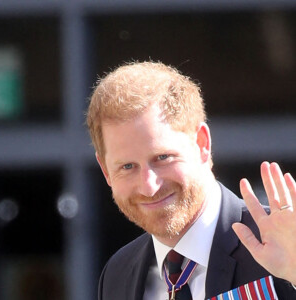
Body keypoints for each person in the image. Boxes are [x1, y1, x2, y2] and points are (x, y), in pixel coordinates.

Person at [87, 61, 296, 300]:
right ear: (105, 171)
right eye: (127, 166)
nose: (148, 186)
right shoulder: (117, 273)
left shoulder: (282, 245)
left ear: (202, 145)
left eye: (162, 157)